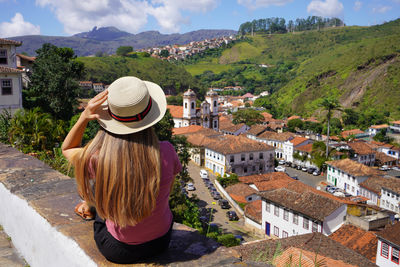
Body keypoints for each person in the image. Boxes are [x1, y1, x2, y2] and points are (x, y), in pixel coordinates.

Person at [62, 76, 182, 264]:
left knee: (101, 184)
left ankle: (90, 205)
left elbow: (67, 149)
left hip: (118, 250)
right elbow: (165, 193)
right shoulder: (167, 150)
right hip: (161, 241)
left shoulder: (98, 159)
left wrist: (84, 116)